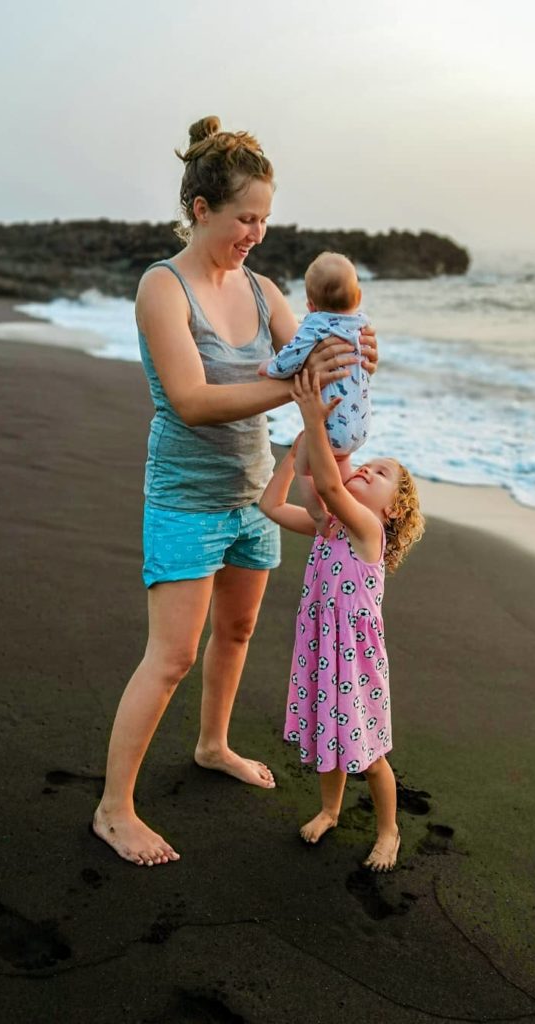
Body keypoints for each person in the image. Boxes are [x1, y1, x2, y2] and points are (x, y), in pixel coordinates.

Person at [93, 116, 379, 866]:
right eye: (244, 217)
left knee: (239, 632)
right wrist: (291, 383)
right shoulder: (162, 288)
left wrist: (354, 350)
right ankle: (113, 808)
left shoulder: (261, 289)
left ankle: (212, 744)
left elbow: (317, 347)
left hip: (251, 494)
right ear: (200, 210)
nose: (256, 232)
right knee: (171, 657)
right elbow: (189, 400)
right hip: (186, 497)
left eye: (264, 218)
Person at [259, 369, 424, 871]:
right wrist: (297, 448)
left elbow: (328, 482)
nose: (366, 470)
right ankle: (330, 809)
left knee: (368, 750)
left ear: (392, 511)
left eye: (379, 474)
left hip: (356, 662)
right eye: (366, 465)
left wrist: (311, 415)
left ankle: (389, 831)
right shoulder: (328, 528)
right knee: (328, 737)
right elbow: (274, 502)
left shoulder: (365, 529)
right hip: (320, 649)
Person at [258, 252, 369, 534]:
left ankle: (318, 513)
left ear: (310, 305)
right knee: (339, 460)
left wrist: (269, 367)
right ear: (358, 298)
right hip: (360, 427)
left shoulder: (314, 325)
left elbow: (290, 360)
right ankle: (345, 512)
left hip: (329, 427)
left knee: (304, 468)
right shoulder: (361, 325)